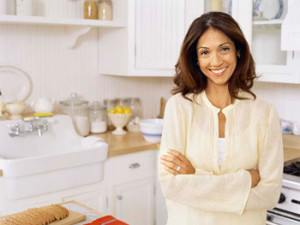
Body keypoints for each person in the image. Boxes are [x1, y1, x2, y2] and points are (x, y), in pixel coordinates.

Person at [159, 11, 283, 225]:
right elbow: (171, 186)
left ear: (238, 52)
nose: (215, 61)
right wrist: (247, 179)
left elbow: (269, 194)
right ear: (195, 59)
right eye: (205, 52)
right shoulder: (179, 107)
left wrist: (194, 176)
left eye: (224, 49)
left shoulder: (264, 113)